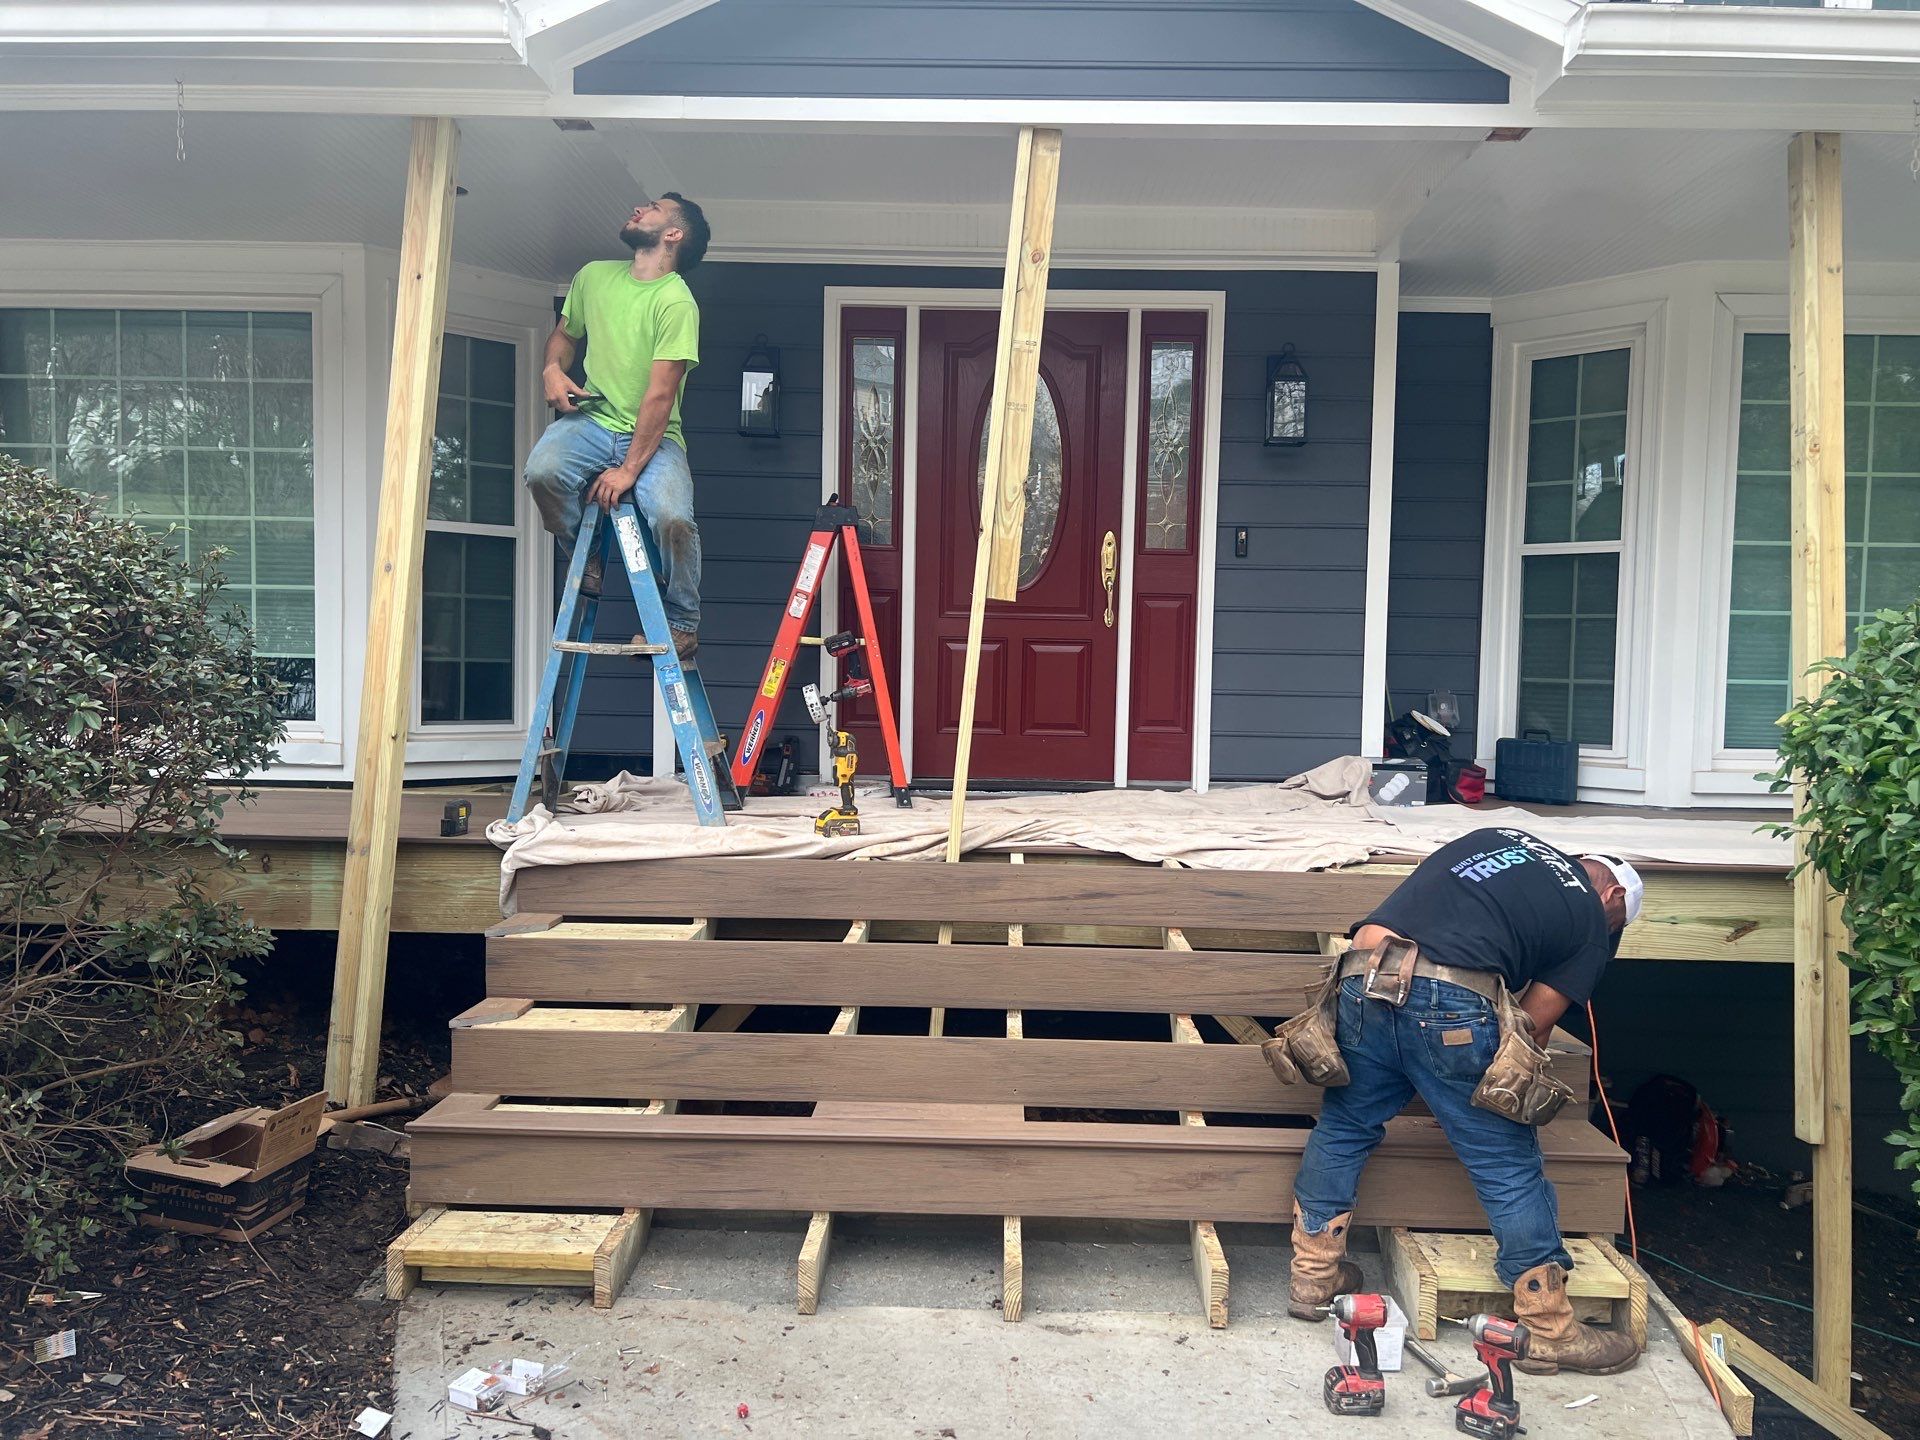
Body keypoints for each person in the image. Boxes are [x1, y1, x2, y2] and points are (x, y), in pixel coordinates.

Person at [1286, 827, 1644, 1376]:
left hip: (1362, 978)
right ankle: (1550, 1330)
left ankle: (1313, 1278)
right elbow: (1531, 1025)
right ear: (1613, 897)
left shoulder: (1497, 838)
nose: (1608, 933)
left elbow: (1382, 926)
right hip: (1449, 1000)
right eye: (1617, 925)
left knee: (1345, 1126)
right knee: (1505, 1163)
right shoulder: (1591, 917)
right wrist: (1470, 1084)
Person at [526, 194, 711, 660]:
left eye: (652, 207)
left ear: (674, 234)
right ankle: (584, 557)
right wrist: (552, 368)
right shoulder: (593, 276)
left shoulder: (676, 303)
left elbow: (660, 396)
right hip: (593, 419)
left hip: (654, 436)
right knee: (543, 471)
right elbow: (566, 335)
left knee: (672, 518)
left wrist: (629, 469)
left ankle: (683, 623)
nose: (637, 208)